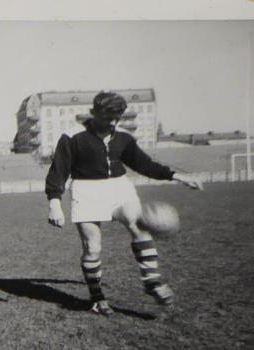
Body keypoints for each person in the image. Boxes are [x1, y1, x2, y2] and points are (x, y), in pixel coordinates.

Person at [45, 91, 203, 316]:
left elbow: (145, 165)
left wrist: (180, 176)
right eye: (107, 117)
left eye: (116, 118)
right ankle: (98, 298)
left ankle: (152, 281)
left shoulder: (123, 137)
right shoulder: (72, 137)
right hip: (86, 189)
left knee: (138, 224)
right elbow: (58, 171)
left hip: (118, 187)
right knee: (92, 248)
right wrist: (54, 203)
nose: (111, 122)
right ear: (93, 113)